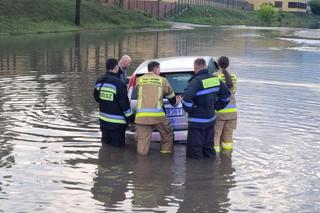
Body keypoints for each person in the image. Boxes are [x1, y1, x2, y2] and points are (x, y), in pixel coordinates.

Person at [182, 58, 231, 159]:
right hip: (210, 121)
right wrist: (216, 106)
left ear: (196, 68)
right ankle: (210, 171)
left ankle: (197, 172)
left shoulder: (196, 81)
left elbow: (186, 99)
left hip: (197, 123)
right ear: (206, 67)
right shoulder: (215, 79)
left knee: (195, 151)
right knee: (208, 149)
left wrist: (190, 110)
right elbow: (227, 96)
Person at [134, 61, 181, 155]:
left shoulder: (139, 80)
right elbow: (171, 98)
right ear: (156, 69)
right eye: (159, 69)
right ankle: (165, 158)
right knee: (167, 135)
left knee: (142, 142)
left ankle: (141, 165)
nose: (160, 71)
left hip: (141, 117)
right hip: (158, 116)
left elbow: (137, 95)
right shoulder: (162, 80)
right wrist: (177, 101)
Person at [94, 58, 134, 147]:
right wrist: (131, 119)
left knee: (105, 146)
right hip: (117, 125)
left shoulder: (99, 81)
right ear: (116, 67)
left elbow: (97, 98)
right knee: (118, 150)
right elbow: (125, 105)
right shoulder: (119, 83)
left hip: (103, 122)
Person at [214, 56, 237, 153]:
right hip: (232, 112)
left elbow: (213, 93)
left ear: (218, 64)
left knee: (216, 135)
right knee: (228, 137)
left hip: (220, 111)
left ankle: (214, 159)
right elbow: (234, 91)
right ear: (228, 65)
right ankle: (227, 159)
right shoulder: (234, 76)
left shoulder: (215, 76)